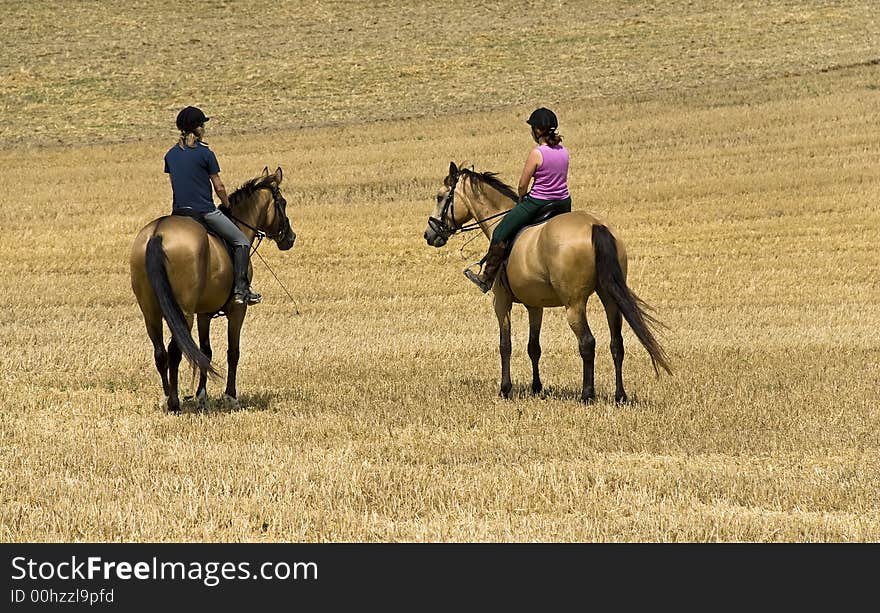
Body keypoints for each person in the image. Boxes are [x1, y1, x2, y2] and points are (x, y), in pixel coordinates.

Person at [464, 107, 572, 293]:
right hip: (563, 203)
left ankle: (486, 278)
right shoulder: (564, 151)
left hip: (539, 202)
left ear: (538, 131)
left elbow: (522, 185)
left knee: (500, 232)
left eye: (532, 128)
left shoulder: (537, 153)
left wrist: (522, 198)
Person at [163, 106, 261, 305]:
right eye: (202, 124)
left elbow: (175, 183)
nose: (204, 127)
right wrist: (227, 205)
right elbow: (219, 186)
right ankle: (241, 289)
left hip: (179, 214)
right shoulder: (205, 153)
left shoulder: (170, 155)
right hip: (204, 212)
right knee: (241, 241)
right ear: (197, 128)